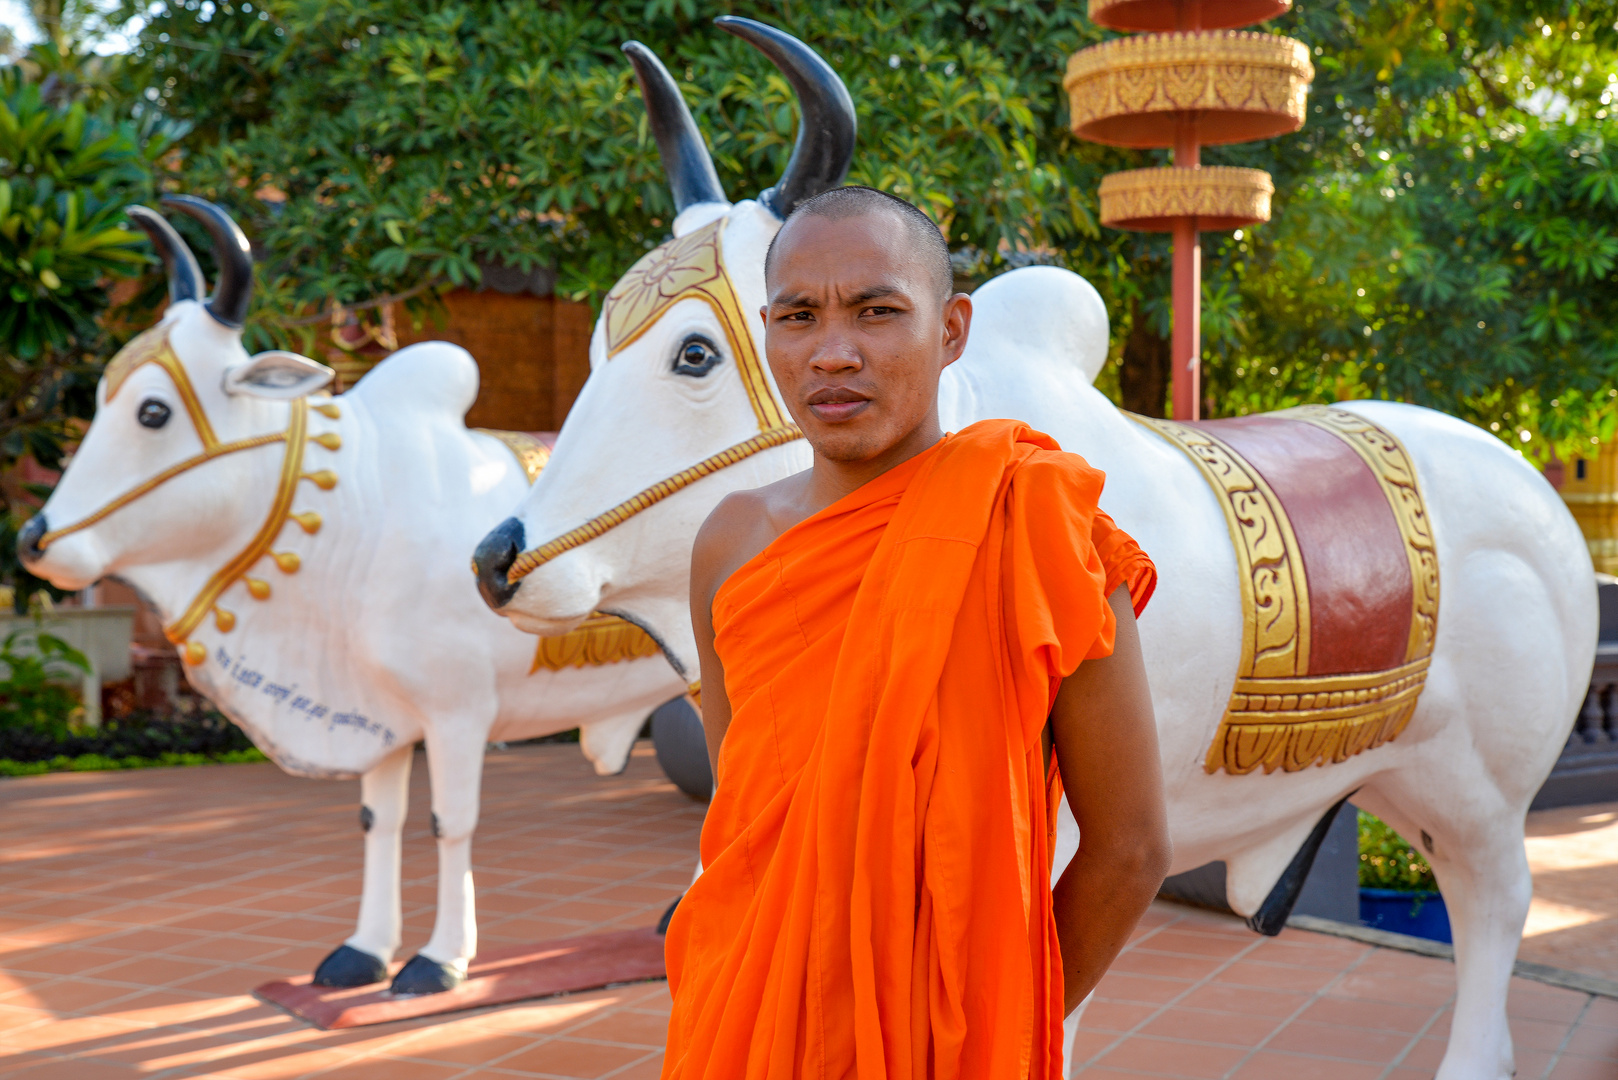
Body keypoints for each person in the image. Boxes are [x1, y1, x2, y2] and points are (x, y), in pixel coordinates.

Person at [664, 186, 1171, 1079]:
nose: (833, 352)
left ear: (951, 329)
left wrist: (990, 1022)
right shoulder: (731, 542)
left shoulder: (1038, 526)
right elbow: (742, 818)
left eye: (877, 311)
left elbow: (1131, 848)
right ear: (767, 333)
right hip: (748, 1011)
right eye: (799, 316)